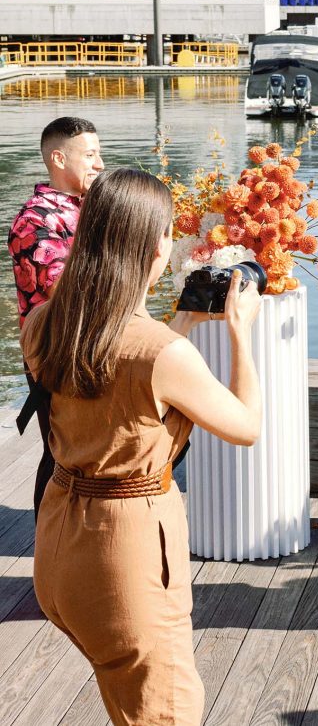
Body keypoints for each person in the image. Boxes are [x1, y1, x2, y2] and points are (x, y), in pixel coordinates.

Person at [21, 167, 263, 725]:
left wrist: (178, 320)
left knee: (126, 702)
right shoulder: (162, 355)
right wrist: (239, 332)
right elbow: (246, 426)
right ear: (156, 245)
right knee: (167, 713)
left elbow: (113, 377)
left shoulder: (43, 324)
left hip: (60, 546)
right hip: (124, 557)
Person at [8, 116, 104, 518]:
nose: (99, 164)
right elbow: (62, 290)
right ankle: (47, 550)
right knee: (59, 453)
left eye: (100, 153)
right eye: (91, 154)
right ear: (59, 158)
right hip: (56, 350)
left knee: (86, 450)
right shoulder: (36, 219)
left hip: (93, 341)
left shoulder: (89, 207)